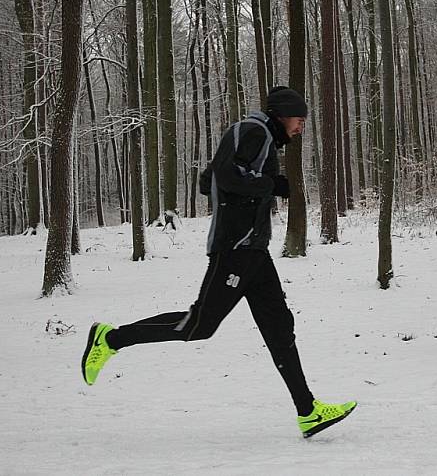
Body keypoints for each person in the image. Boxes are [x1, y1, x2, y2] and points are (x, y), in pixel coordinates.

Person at [81, 86, 356, 438]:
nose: (301, 127)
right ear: (283, 114)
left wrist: (264, 184)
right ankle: (111, 339)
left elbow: (207, 179)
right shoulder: (253, 131)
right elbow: (225, 177)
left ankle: (308, 411)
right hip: (235, 249)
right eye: (299, 120)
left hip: (254, 250)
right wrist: (271, 184)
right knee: (200, 326)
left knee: (279, 328)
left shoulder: (257, 137)